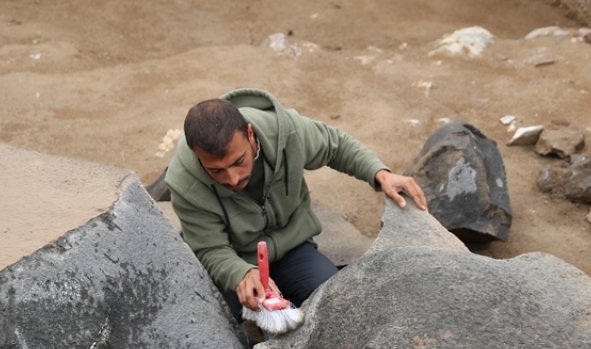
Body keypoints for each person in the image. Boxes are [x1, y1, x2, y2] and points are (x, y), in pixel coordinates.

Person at [165, 88, 428, 318]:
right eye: (216, 171)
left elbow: (335, 146)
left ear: (250, 133)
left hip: (293, 250)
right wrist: (242, 275)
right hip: (237, 260)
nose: (232, 178)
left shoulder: (285, 131)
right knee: (215, 322)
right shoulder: (183, 180)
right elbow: (211, 248)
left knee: (335, 303)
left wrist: (380, 173)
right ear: (197, 156)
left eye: (238, 162)